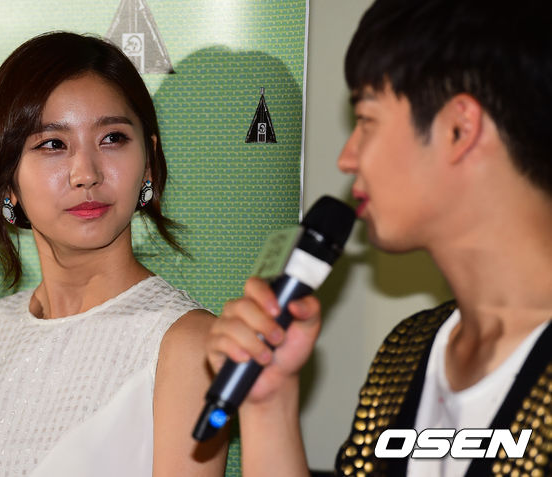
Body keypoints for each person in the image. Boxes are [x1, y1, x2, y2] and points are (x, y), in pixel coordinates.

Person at [206, 0, 552, 476]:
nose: (347, 158)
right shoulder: (405, 354)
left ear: (459, 128)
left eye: (366, 120)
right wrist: (269, 401)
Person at [0, 32, 228, 476]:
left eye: (113, 138)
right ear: (7, 181)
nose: (86, 174)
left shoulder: (188, 346)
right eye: (53, 144)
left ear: (149, 161)